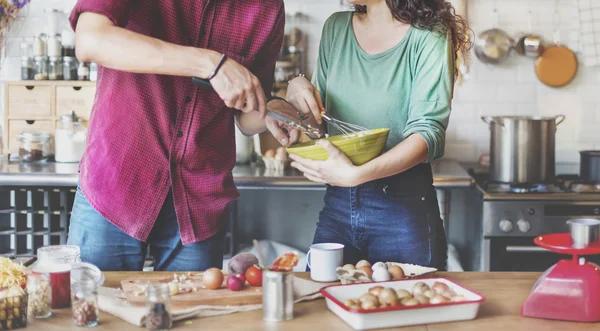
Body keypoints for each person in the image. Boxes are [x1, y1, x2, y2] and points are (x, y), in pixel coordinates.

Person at [66, 1, 294, 271]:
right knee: (93, 308)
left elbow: (246, 116)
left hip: (199, 203)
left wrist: (275, 109)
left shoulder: (267, 8)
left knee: (192, 311)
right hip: (115, 186)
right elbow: (91, 40)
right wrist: (211, 63)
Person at [286, 0, 470, 269]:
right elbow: (319, 125)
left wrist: (356, 175)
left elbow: (428, 133)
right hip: (338, 203)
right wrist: (296, 88)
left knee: (409, 304)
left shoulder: (430, 33)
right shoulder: (336, 28)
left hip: (402, 207)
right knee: (318, 301)